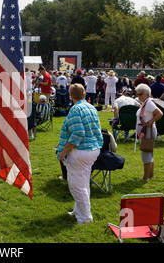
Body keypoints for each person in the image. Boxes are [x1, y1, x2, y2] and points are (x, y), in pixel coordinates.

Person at [57, 84, 103, 224]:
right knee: (83, 183)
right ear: (84, 93)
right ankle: (79, 212)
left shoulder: (75, 109)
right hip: (92, 149)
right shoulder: (91, 107)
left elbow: (78, 133)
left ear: (70, 96)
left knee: (76, 186)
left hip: (81, 151)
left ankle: (85, 218)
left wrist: (64, 151)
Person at [135, 84, 163, 181]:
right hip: (146, 130)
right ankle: (150, 175)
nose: (138, 96)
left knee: (146, 153)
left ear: (146, 94)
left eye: (140, 94)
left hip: (147, 131)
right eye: (137, 94)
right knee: (149, 152)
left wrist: (150, 122)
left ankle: (145, 177)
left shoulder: (149, 103)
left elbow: (159, 113)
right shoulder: (146, 103)